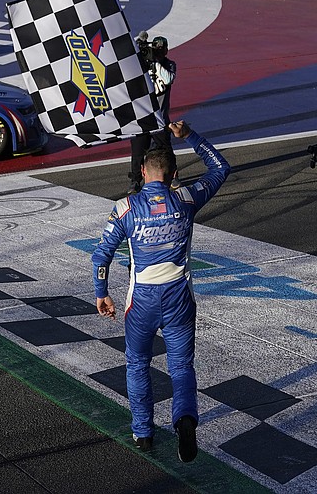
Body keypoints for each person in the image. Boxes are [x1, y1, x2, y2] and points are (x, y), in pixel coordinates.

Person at [91, 121, 230, 462]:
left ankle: (143, 434)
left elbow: (101, 255)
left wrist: (101, 292)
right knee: (181, 367)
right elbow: (221, 167)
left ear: (142, 171)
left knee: (138, 363)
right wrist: (190, 136)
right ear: (174, 174)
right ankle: (184, 418)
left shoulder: (125, 207)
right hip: (179, 297)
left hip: (142, 302)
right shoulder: (186, 198)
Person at [128, 35, 177, 194]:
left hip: (160, 119)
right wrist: (138, 48)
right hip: (142, 117)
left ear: (166, 50)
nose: (159, 52)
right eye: (156, 50)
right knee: (137, 152)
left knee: (165, 150)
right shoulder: (142, 65)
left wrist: (154, 62)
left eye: (162, 50)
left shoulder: (170, 65)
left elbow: (168, 79)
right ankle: (135, 181)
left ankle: (173, 176)